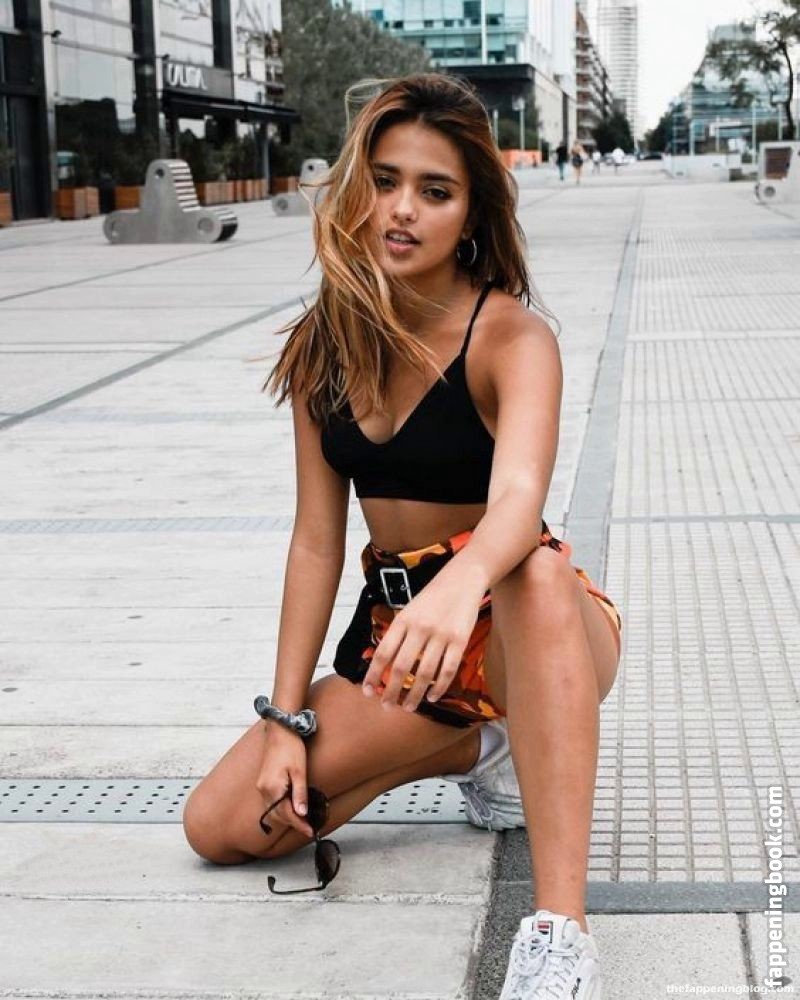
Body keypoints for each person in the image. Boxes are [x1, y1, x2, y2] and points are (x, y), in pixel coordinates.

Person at [182, 73, 623, 1000]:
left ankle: (561, 936)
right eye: (385, 181)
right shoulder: (324, 343)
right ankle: (480, 750)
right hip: (408, 654)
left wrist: (461, 587)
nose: (402, 209)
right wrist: (285, 721)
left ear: (472, 215)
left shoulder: (512, 337)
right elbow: (315, 542)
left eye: (435, 190)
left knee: (536, 572)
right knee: (221, 826)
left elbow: (520, 502)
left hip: (523, 628)